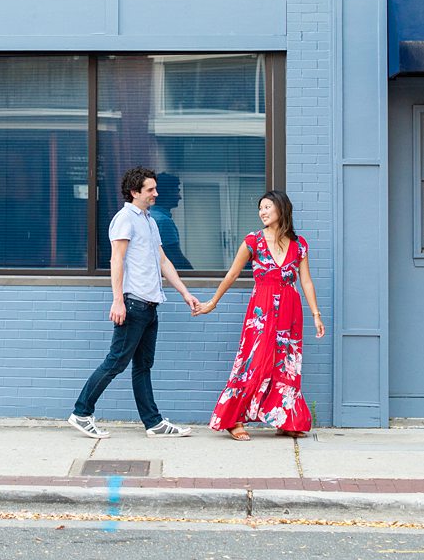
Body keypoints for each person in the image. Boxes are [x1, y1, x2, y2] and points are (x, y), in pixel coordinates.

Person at [68, 166, 201, 439]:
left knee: (143, 366)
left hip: (150, 305)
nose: (156, 193)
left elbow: (164, 261)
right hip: (134, 304)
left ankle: (153, 423)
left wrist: (185, 293)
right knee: (116, 361)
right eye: (150, 189)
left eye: (154, 188)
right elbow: (116, 260)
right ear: (134, 192)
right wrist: (118, 301)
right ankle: (82, 412)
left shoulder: (149, 220)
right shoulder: (124, 219)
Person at [194, 190, 324, 439]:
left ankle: (286, 420)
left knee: (287, 365)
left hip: (290, 310)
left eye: (267, 207)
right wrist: (212, 303)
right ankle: (233, 420)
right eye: (260, 208)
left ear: (281, 209)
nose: (262, 212)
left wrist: (316, 314)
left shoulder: (299, 245)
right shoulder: (253, 241)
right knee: (252, 363)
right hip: (262, 311)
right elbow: (231, 274)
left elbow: (306, 281)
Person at [149, 172, 193, 272]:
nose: (179, 197)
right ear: (168, 192)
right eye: (177, 191)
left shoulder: (149, 216)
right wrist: (195, 276)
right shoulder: (163, 221)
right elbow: (175, 257)